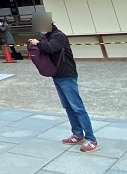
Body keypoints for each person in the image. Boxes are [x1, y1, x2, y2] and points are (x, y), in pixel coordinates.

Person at [29, 17, 98, 153]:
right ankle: (78, 133)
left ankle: (91, 139)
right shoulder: (47, 37)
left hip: (67, 75)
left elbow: (50, 48)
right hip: (57, 75)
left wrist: (38, 43)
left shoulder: (59, 36)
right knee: (67, 106)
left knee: (77, 107)